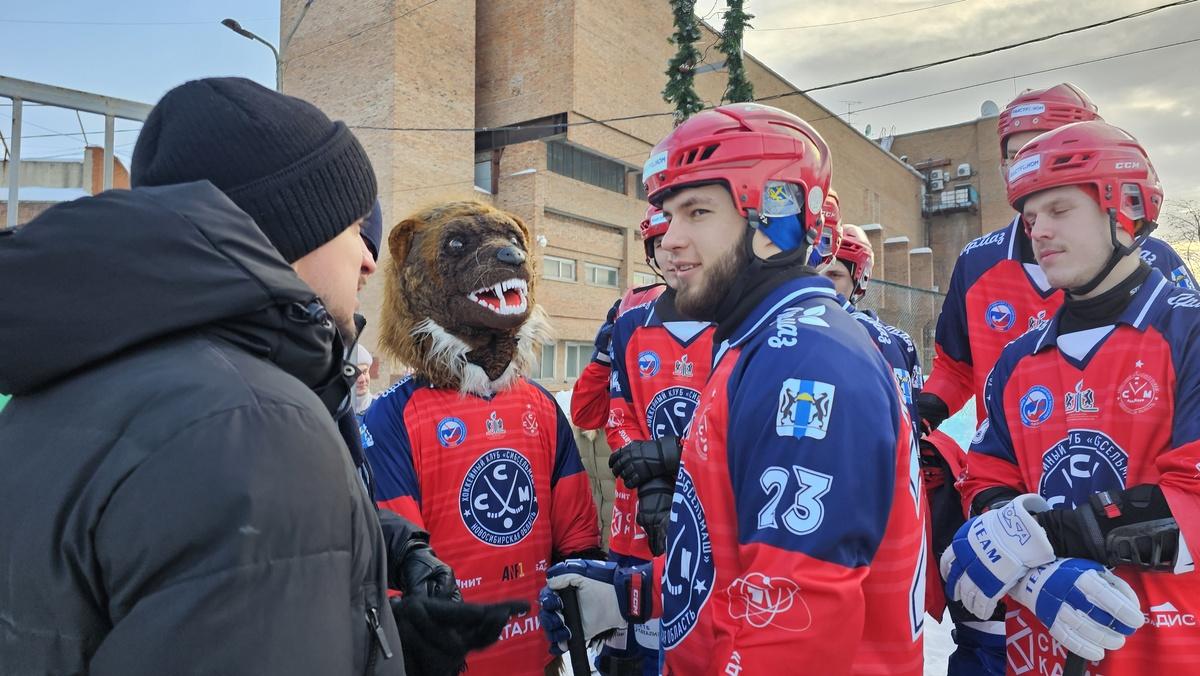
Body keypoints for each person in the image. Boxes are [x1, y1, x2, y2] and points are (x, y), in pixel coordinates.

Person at [538, 103, 926, 675]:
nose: (669, 241)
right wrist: (633, 595)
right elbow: (737, 562)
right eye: (669, 216)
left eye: (697, 212)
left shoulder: (805, 364)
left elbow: (791, 623)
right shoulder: (758, 344)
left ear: (775, 220)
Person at [0, 177, 407, 673]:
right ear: (292, 235)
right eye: (353, 229)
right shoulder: (255, 423)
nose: (369, 261)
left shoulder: (65, 385)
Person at [945, 120, 1200, 675]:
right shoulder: (1018, 360)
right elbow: (987, 483)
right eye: (1030, 217)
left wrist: (1046, 536)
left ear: (1125, 208)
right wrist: (1031, 573)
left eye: (1060, 211)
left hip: (1171, 652)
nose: (1038, 231)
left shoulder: (1188, 332)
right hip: (1038, 654)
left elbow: (1191, 505)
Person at [599, 205, 714, 675]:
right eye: (658, 244)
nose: (670, 252)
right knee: (629, 653)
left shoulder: (737, 325)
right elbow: (617, 414)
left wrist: (673, 466)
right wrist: (647, 479)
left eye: (678, 239)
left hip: (705, 516)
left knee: (694, 647)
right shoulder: (631, 324)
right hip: (635, 520)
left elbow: (734, 430)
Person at [353, 344, 377, 417]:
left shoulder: (380, 408)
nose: (362, 380)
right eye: (355, 373)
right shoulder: (334, 412)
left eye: (365, 372)